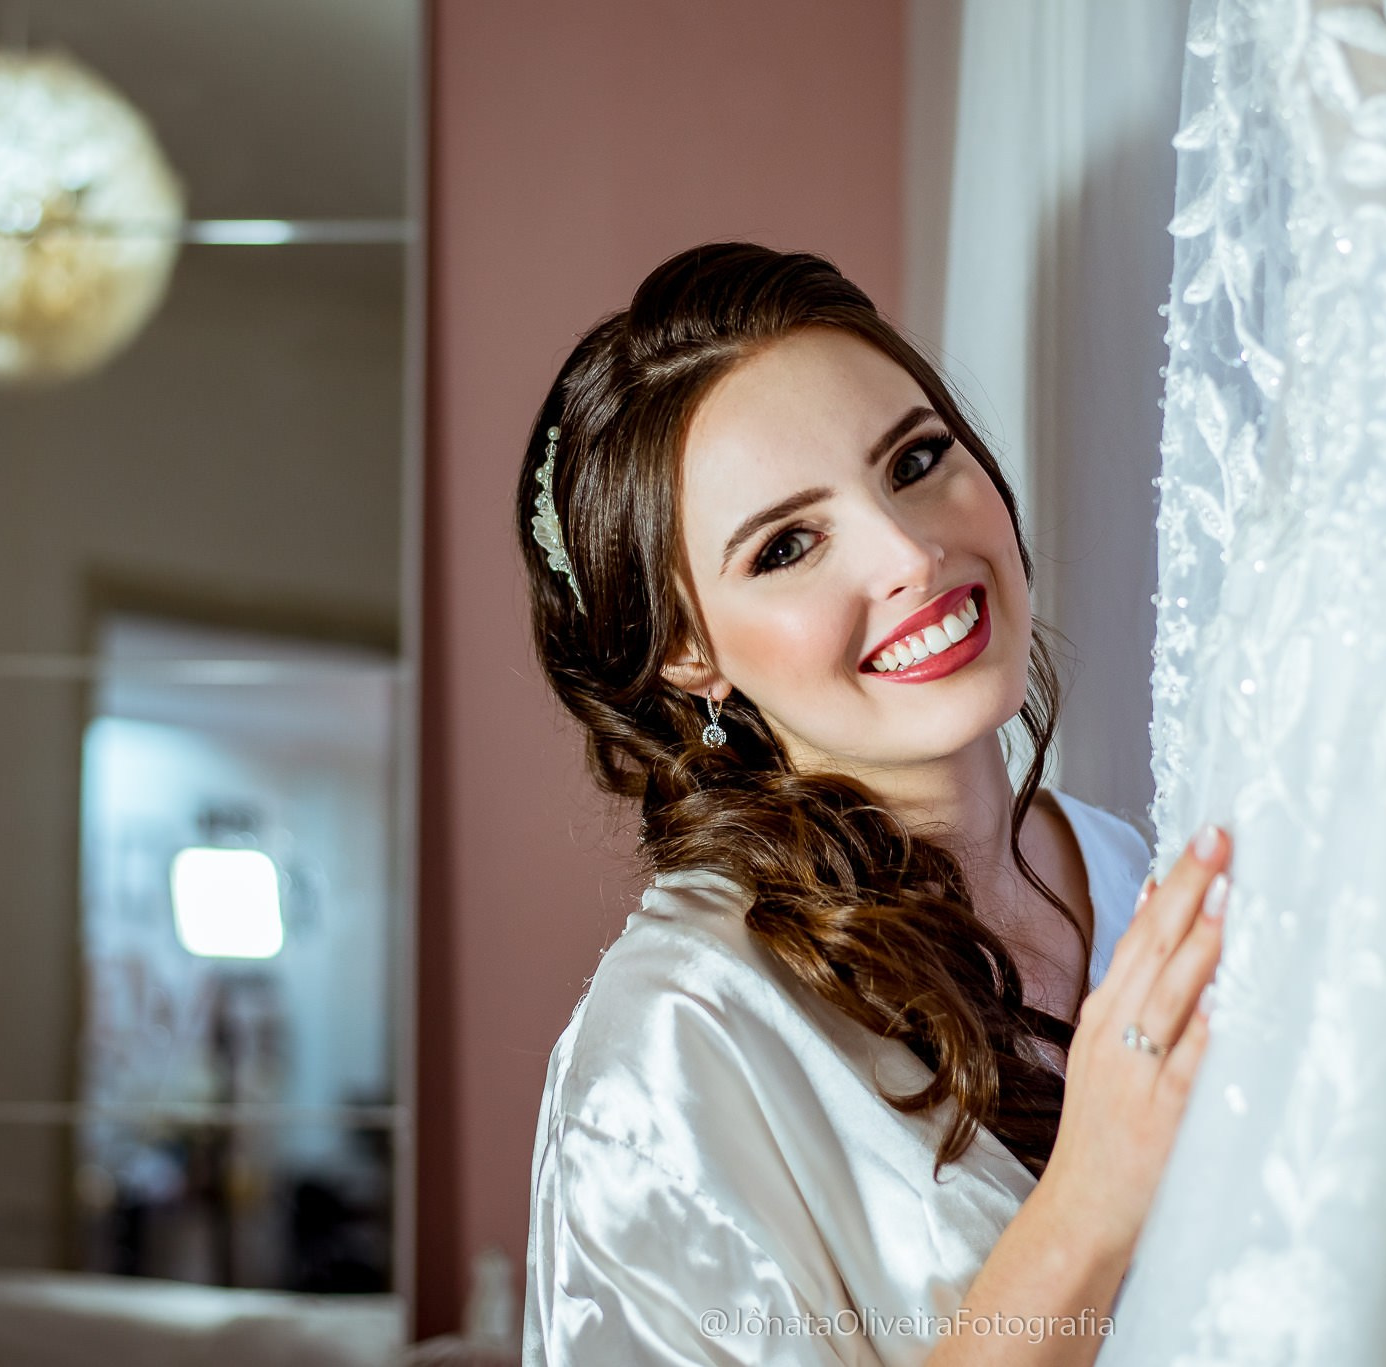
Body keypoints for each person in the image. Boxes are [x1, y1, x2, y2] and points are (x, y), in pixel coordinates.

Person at [515, 242, 1231, 1366]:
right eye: (788, 544)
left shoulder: (1134, 868)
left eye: (913, 459)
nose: (910, 551)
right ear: (690, 651)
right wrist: (1087, 1204)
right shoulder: (679, 1041)